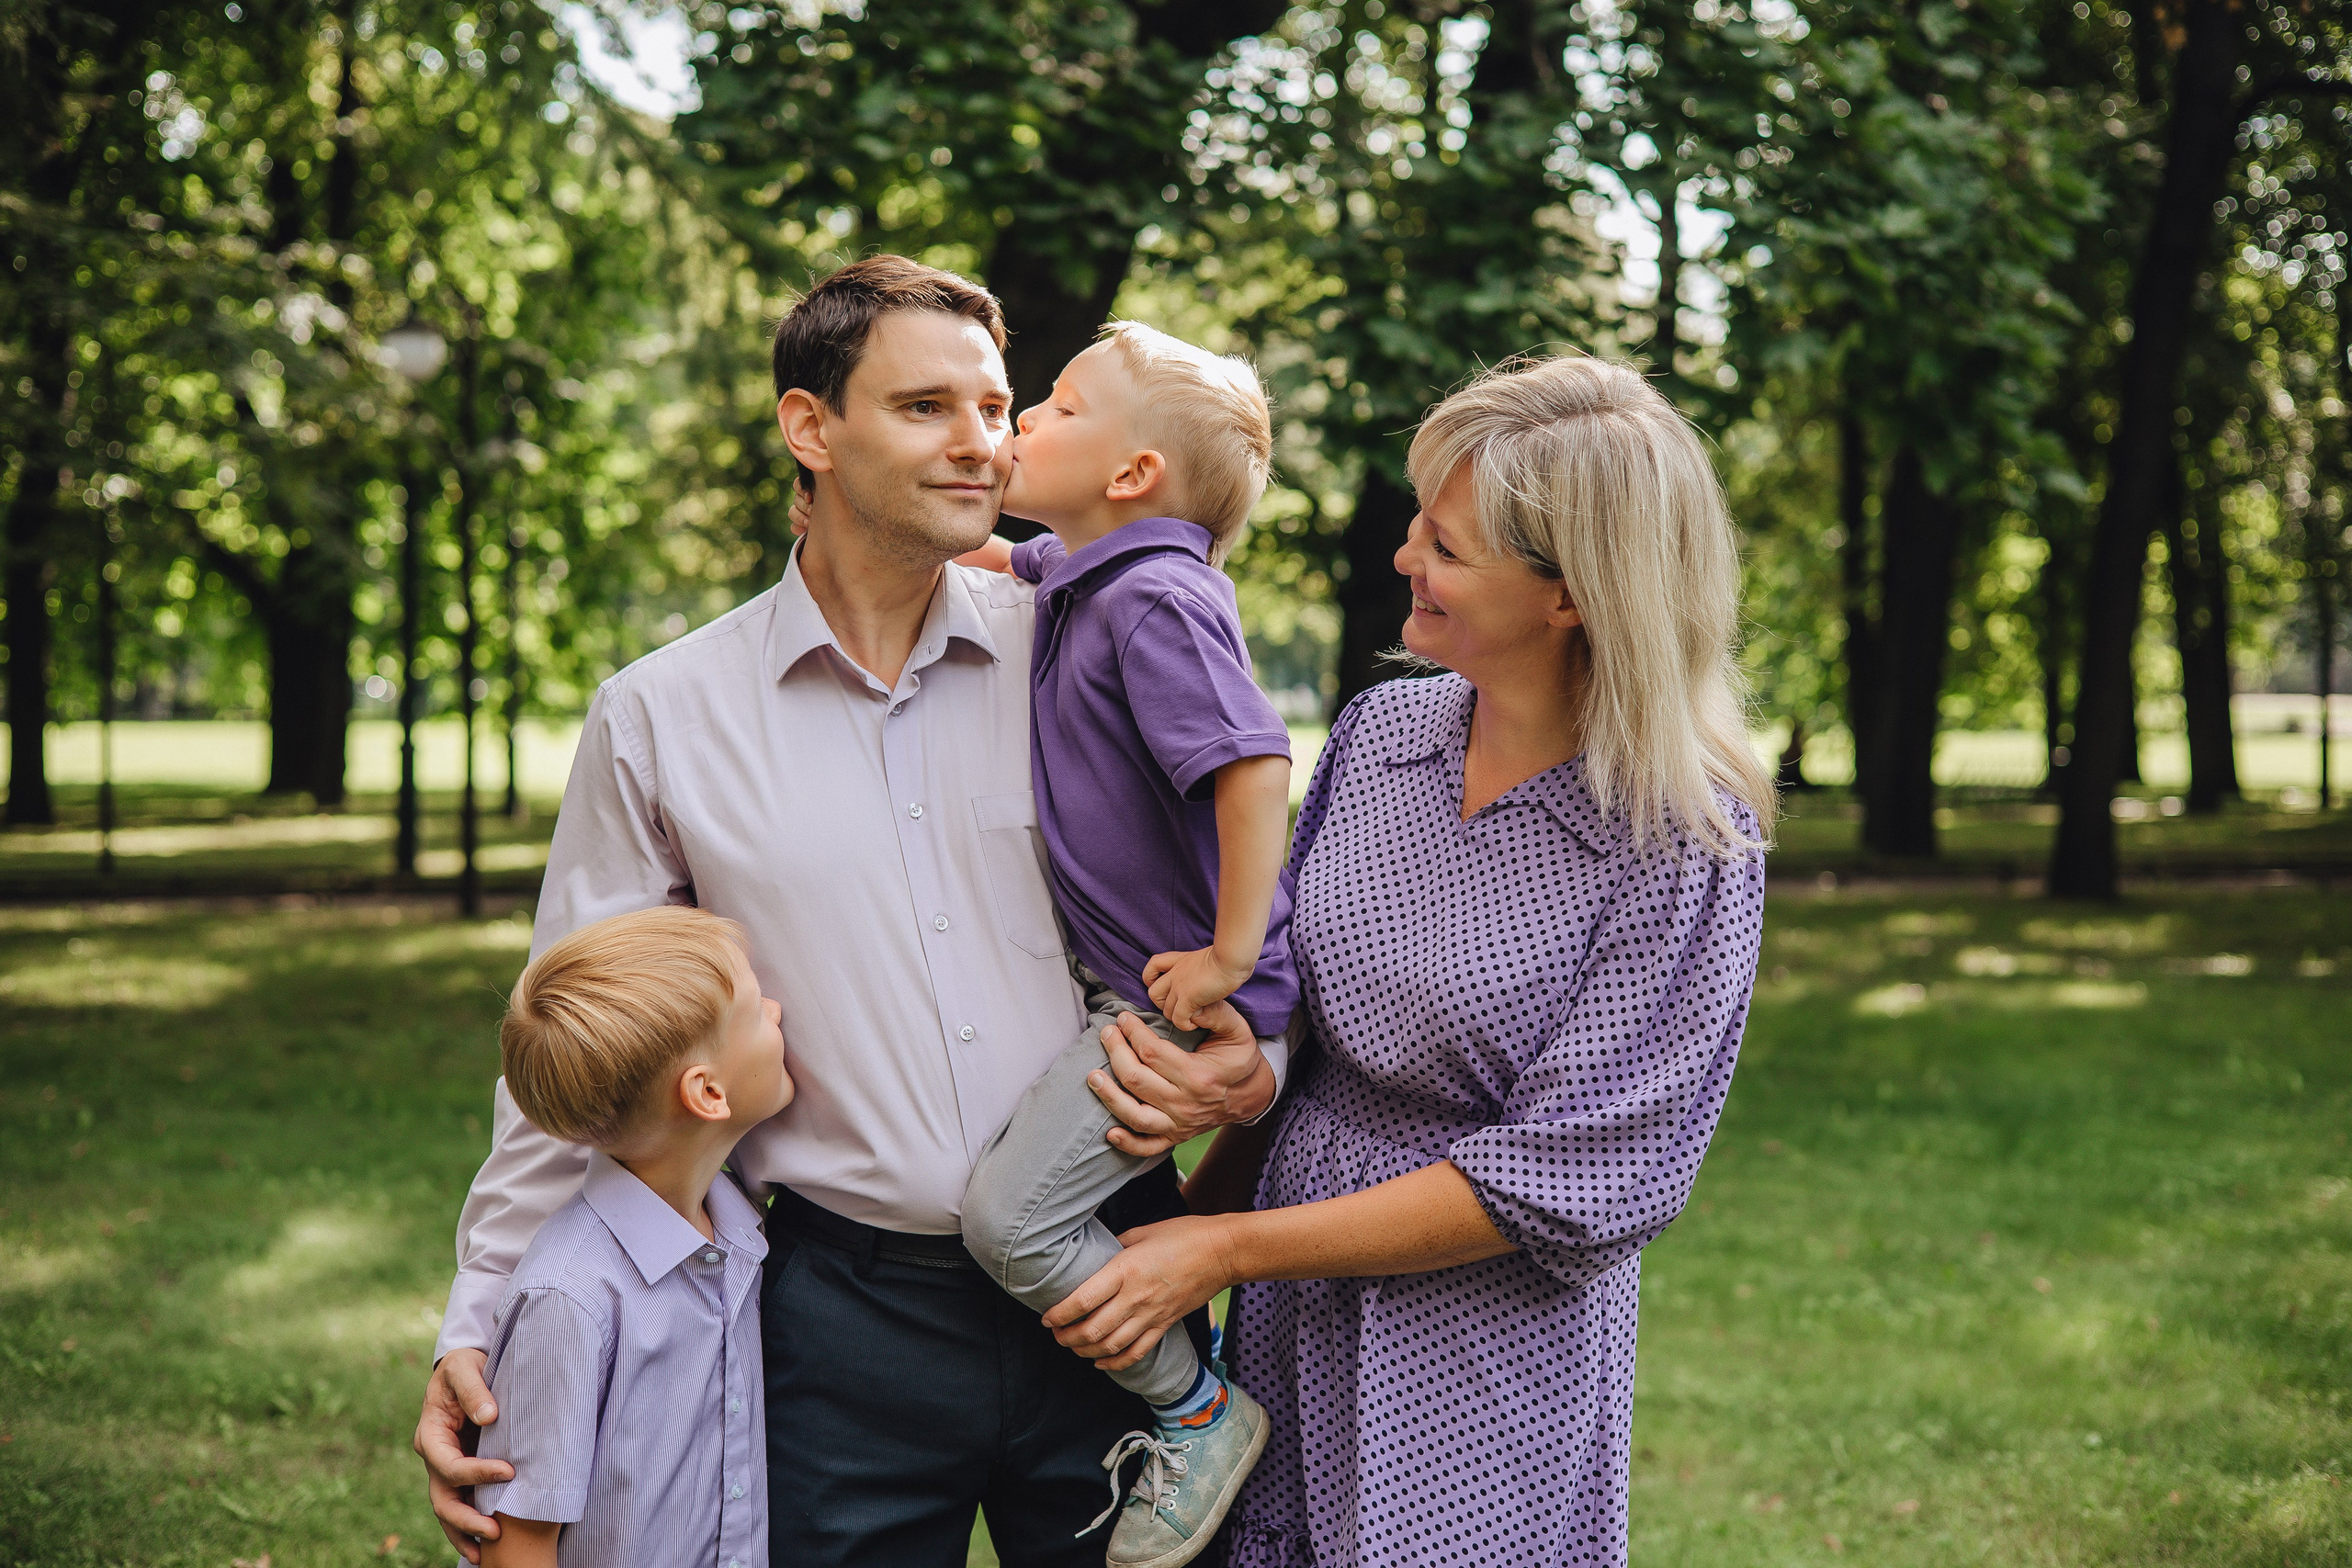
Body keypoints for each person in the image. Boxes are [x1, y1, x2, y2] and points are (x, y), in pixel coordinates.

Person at [412, 255, 1282, 1568]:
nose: (982, 441)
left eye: (998, 407)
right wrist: (483, 1316)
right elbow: (579, 1042)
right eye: (928, 406)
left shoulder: (1090, 639)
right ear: (810, 427)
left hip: (1108, 1280)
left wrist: (1248, 1065)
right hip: (832, 1317)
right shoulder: (661, 715)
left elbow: (1248, 872)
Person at [1035, 354, 1776, 1567]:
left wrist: (1223, 1248)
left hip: (1481, 1342)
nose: (1402, 559)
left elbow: (1564, 1183)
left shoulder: (1684, 836)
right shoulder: (1383, 734)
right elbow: (1302, 1025)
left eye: (1446, 544)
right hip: (1286, 1307)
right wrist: (1188, 1217)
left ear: (1573, 595)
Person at [955, 323, 1295, 1568]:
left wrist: (1226, 958)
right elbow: (997, 545)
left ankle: (1196, 1404)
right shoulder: (1087, 569)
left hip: (1179, 990)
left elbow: (1256, 770)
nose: (1021, 420)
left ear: (1133, 474)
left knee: (1010, 1218)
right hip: (1147, 975)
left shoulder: (1156, 596)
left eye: (1056, 403)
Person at [472, 906, 789, 1568]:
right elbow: (517, 1547)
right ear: (706, 1092)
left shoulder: (741, 1236)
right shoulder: (571, 1296)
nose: (780, 1013)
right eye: (759, 1009)